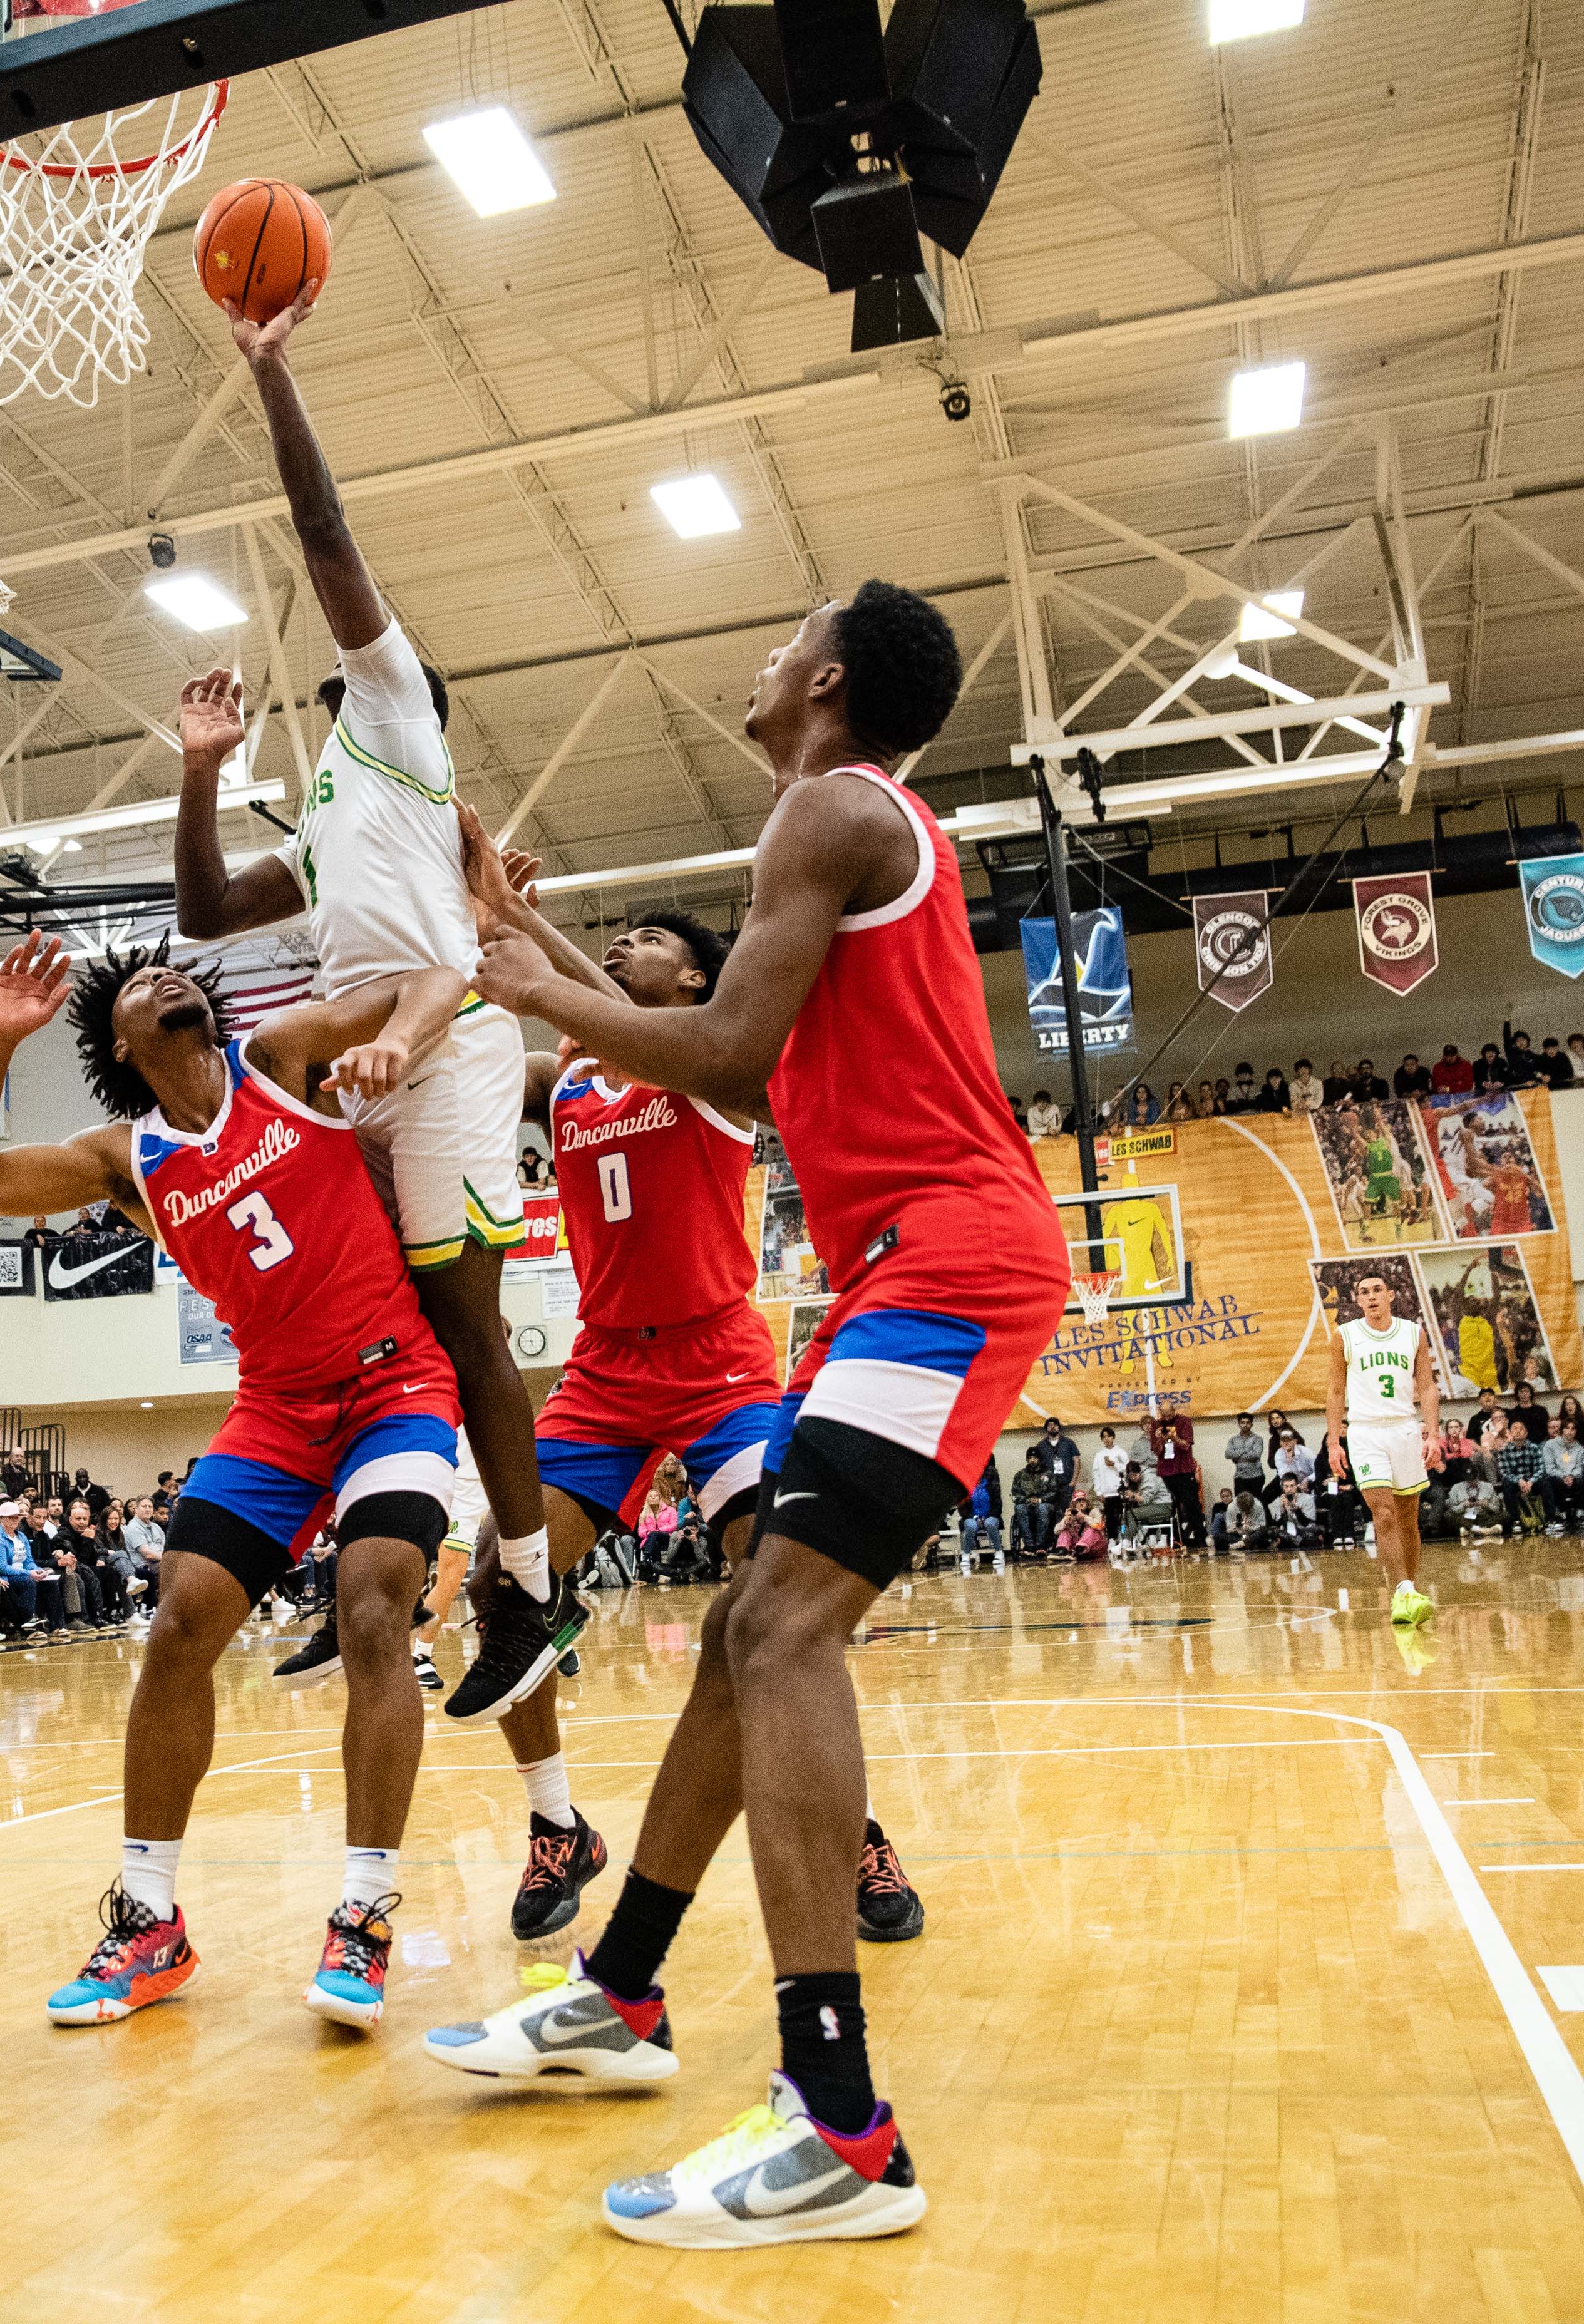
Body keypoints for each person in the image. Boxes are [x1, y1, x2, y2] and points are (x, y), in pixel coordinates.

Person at [431, 580, 1061, 2249]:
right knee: (741, 1638)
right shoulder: (843, 825)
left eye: (786, 636)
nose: (762, 657)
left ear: (830, 680)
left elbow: (713, 1058)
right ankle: (623, 1992)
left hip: (948, 1260)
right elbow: (736, 1056)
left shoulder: (830, 808)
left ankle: (841, 2122)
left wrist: (535, 990)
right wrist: (536, 947)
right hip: (892, 1271)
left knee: (779, 1636)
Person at [0, 930, 466, 2035]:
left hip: (393, 1384)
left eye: (175, 972)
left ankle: (362, 1915)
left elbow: (432, 977)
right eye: (137, 987)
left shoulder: (278, 1059)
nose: (166, 980)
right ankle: (149, 1921)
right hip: (275, 1406)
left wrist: (400, 1041)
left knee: (371, 1602)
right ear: (119, 1046)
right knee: (178, 1623)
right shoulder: (124, 1157)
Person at [168, 289, 569, 1694]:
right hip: (360, 1068)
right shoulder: (339, 798)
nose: (349, 657)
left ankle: (531, 1589)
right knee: (370, 1331)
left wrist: (275, 380)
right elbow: (208, 912)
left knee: (464, 1327)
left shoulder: (399, 724)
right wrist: (201, 768)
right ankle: (366, 1556)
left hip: (443, 1043)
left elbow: (327, 538)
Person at [465, 882, 923, 1944]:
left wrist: (532, 932)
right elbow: (480, 1045)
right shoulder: (561, 1080)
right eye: (614, 935)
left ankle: (853, 1834)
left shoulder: (716, 1073)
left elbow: (638, 1025)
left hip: (719, 1362)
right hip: (605, 1373)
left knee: (778, 1603)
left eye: (653, 939)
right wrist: (464, 910)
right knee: (499, 1575)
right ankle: (555, 1825)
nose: (623, 942)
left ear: (697, 984)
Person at [1330, 1272, 1438, 1623]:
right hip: (1365, 1433)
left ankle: (1409, 1589)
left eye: (1378, 1290)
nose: (1372, 1296)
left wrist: (1433, 1434)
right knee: (1383, 1513)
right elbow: (1335, 1392)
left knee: (1408, 1519)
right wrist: (1335, 1440)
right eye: (1364, 1292)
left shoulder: (1413, 1333)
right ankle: (1402, 1591)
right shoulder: (1344, 1336)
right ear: (1358, 1300)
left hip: (1405, 1430)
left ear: (1390, 1295)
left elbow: (1427, 1387)